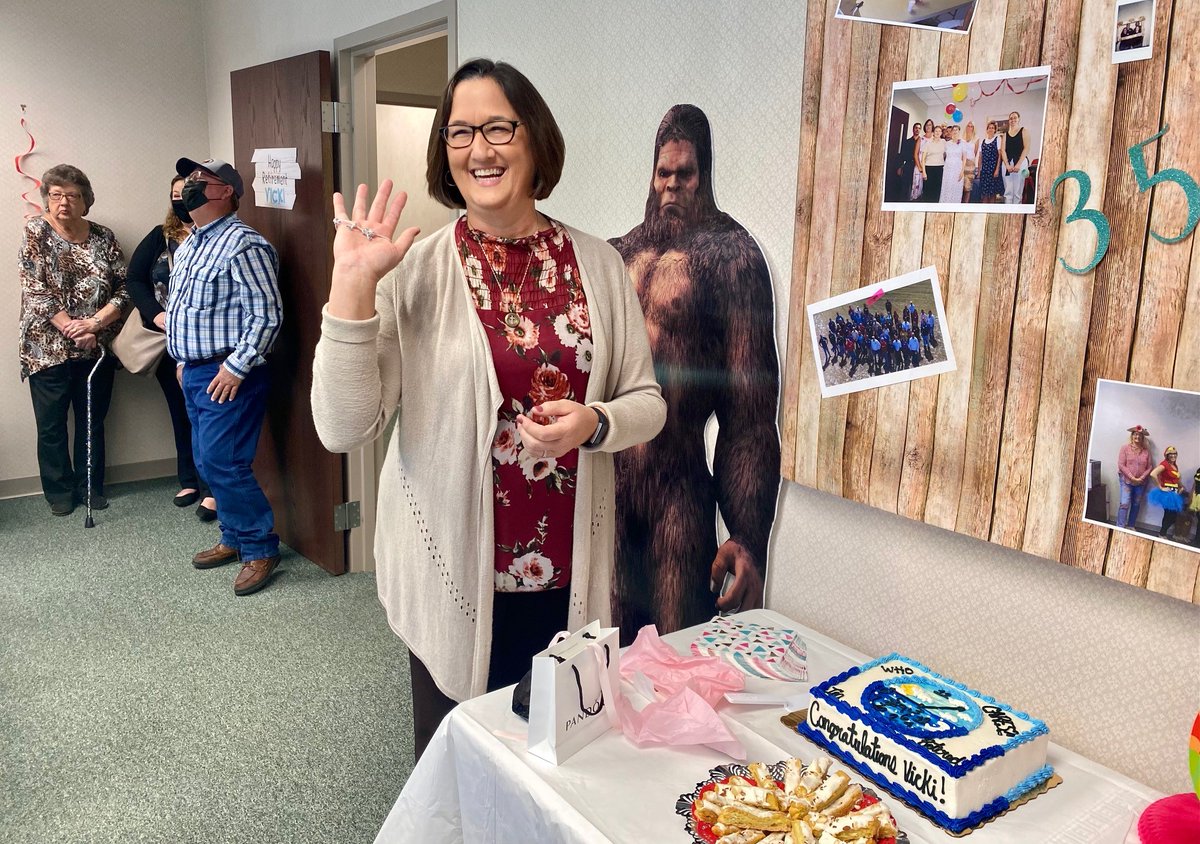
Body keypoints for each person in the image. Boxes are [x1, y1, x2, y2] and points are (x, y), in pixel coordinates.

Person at [310, 59, 666, 758]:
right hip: (453, 570)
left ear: (534, 139)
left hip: (567, 572)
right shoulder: (411, 271)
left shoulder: (598, 265)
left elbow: (647, 403)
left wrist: (595, 424)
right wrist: (350, 287)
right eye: (459, 132)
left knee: (556, 753)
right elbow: (343, 426)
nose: (479, 149)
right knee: (457, 757)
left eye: (498, 127)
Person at [608, 104, 781, 642]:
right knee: (597, 658)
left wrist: (748, 536)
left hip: (677, 488)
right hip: (606, 487)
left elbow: (749, 418)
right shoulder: (618, 254)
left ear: (704, 175)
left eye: (685, 175)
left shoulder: (733, 258)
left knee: (678, 655)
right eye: (664, 174)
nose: (672, 187)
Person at [165, 157, 283, 595]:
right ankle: (233, 537)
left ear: (226, 191)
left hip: (228, 372)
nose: (190, 186)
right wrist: (180, 361)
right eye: (190, 180)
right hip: (194, 372)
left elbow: (267, 315)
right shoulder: (192, 241)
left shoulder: (243, 244)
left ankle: (259, 546)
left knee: (223, 462)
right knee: (204, 458)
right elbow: (184, 309)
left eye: (201, 180)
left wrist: (236, 366)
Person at [19, 164, 129, 516]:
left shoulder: (104, 237)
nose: (63, 202)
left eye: (72, 195)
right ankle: (59, 491)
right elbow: (35, 289)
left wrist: (95, 324)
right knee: (50, 425)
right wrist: (72, 327)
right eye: (55, 195)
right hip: (45, 348)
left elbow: (125, 288)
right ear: (46, 200)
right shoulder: (35, 232)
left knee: (91, 421)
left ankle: (90, 487)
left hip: (95, 347)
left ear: (86, 201)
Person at [125, 175, 216, 520]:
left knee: (206, 415)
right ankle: (188, 479)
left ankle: (211, 489)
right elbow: (133, 279)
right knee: (181, 411)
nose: (181, 202)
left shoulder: (214, 236)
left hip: (205, 341)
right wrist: (157, 315)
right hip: (166, 341)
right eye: (175, 196)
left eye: (187, 195)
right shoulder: (161, 235)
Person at [1115, 425, 1152, 529]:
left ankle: (1131, 526)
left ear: (1143, 438)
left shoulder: (1146, 452)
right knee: (1124, 503)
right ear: (1132, 436)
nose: (1138, 437)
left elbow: (1149, 467)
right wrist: (1132, 477)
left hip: (1141, 483)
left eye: (1140, 435)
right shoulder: (1125, 448)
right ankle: (1120, 526)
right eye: (1136, 434)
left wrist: (1141, 478)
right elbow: (1121, 465)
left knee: (1136, 504)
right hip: (1126, 481)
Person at [1148, 446, 1186, 539]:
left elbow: (1176, 478)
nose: (1173, 455)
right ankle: (1162, 534)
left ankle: (1162, 533)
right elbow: (1153, 474)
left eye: (1174, 453)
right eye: (1171, 454)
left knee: (1173, 515)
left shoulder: (1174, 465)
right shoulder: (1164, 464)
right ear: (1167, 455)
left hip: (1175, 492)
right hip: (1168, 494)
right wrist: (1160, 487)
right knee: (1169, 514)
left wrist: (1181, 486)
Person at [1003, 111, 1029, 205]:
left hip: (1021, 162)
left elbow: (1026, 148)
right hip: (1008, 163)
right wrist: (1007, 165)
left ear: (1018, 119)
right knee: (1008, 192)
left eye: (1015, 117)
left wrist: (1018, 164)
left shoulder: (1024, 130)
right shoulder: (1005, 134)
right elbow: (1003, 151)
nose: (1013, 120)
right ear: (1009, 120)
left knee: (1018, 192)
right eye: (1011, 118)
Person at [892, 122, 922, 203]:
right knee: (905, 186)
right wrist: (900, 167)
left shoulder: (922, 142)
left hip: (917, 167)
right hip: (908, 165)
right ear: (913, 129)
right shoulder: (907, 141)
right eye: (916, 127)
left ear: (920, 130)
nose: (917, 129)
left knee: (915, 187)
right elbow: (902, 155)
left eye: (919, 128)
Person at [975, 120, 1004, 203]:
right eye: (989, 128)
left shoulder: (997, 139)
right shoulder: (982, 141)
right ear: (987, 130)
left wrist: (997, 169)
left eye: (992, 128)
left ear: (995, 130)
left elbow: (1000, 155)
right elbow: (980, 157)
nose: (990, 129)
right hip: (984, 170)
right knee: (984, 193)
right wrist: (979, 171)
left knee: (992, 194)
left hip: (993, 170)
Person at [920, 125, 946, 202]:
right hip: (929, 168)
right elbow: (923, 159)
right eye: (936, 131)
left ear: (941, 133)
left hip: (939, 169)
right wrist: (924, 172)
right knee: (928, 191)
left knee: (937, 191)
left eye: (939, 131)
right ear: (933, 132)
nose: (938, 132)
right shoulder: (928, 143)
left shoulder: (944, 142)